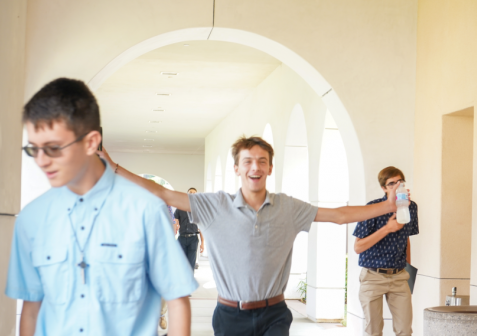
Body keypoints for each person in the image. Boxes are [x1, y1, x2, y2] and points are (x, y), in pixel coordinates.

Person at [99, 136, 406, 336]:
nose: (254, 167)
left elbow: (339, 216)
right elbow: (162, 192)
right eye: (247, 161)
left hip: (274, 314)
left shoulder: (288, 207)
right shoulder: (212, 205)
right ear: (237, 168)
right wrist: (113, 167)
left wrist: (388, 206)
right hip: (230, 315)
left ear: (270, 167)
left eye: (261, 161)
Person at [5, 78, 198, 336]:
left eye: (52, 148)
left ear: (91, 142)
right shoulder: (31, 218)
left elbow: (177, 300)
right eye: (34, 149)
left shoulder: (145, 210)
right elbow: (31, 308)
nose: (42, 161)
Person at [353, 166, 419, 336]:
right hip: (373, 276)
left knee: (405, 331)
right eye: (391, 184)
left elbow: (406, 239)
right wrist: (387, 229)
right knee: (374, 331)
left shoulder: (411, 208)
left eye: (400, 182)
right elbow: (358, 247)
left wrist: (408, 268)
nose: (397, 186)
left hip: (399, 276)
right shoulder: (373, 208)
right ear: (383, 188)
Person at [174, 188, 205, 271]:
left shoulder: (198, 210)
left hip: (193, 239)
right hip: (182, 238)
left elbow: (201, 227)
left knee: (191, 263)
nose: (192, 194)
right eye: (190, 192)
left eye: (194, 193)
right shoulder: (179, 208)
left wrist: (203, 243)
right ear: (187, 194)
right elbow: (175, 223)